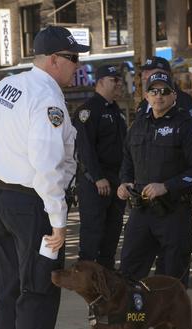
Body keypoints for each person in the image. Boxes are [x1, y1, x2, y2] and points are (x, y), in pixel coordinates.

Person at [0, 26, 86, 329]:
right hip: (31, 206)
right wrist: (58, 220)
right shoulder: (47, 98)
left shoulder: (9, 86)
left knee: (7, 293)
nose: (78, 66)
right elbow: (47, 165)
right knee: (38, 291)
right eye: (73, 59)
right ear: (54, 60)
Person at [117, 71, 192, 329]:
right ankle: (129, 324)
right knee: (130, 272)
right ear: (146, 95)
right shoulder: (138, 125)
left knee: (169, 277)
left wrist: (167, 186)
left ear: (174, 95)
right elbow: (127, 162)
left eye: (164, 91)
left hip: (173, 212)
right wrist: (124, 183)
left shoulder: (187, 126)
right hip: (142, 212)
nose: (158, 96)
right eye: (153, 91)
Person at [73, 64, 127, 269]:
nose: (119, 84)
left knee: (112, 230)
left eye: (120, 80)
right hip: (95, 181)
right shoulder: (88, 111)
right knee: (93, 230)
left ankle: (106, 274)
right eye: (114, 80)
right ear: (101, 82)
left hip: (116, 179)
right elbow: (84, 149)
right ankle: (85, 274)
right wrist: (97, 177)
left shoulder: (116, 112)